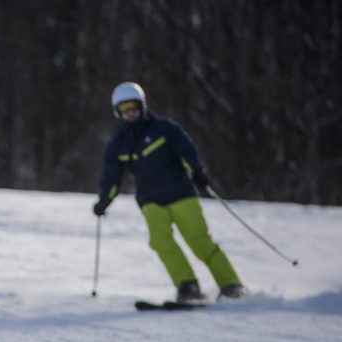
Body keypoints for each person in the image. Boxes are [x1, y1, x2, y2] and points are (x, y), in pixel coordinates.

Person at [93, 82, 245, 302]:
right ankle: (187, 285)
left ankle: (231, 284)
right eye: (125, 109)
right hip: (150, 200)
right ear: (118, 112)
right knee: (160, 241)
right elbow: (111, 177)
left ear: (143, 106)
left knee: (199, 240)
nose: (130, 113)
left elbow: (187, 150)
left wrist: (198, 171)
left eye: (134, 107)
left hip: (182, 194)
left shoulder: (163, 128)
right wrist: (104, 201)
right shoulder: (118, 145)